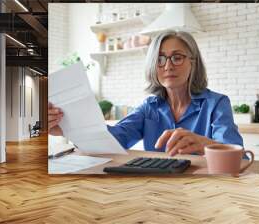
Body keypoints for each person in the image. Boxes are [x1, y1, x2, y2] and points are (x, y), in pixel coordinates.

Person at [49, 30, 243, 157]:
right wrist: (65, 126)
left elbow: (239, 157)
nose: (167, 66)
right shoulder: (148, 108)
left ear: (193, 62)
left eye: (177, 57)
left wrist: (204, 144)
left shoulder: (217, 104)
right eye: (159, 59)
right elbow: (113, 139)